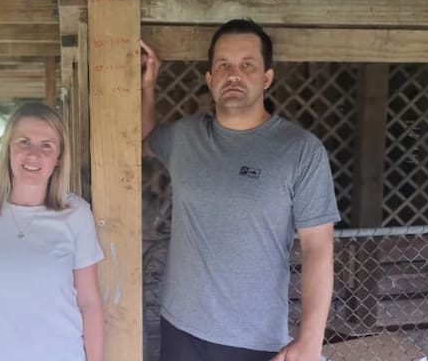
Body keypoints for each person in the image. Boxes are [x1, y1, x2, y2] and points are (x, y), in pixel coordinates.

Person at [141, 19, 339, 361]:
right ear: (210, 78)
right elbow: (145, 139)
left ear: (266, 78)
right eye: (223, 65)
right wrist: (148, 87)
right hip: (179, 327)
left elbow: (317, 247)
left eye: (247, 65)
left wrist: (311, 339)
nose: (234, 74)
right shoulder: (185, 138)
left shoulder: (300, 150)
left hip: (253, 340)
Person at [0, 102, 105, 361]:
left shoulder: (77, 214)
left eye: (46, 145)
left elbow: (89, 302)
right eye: (24, 142)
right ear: (8, 149)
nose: (33, 155)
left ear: (59, 158)